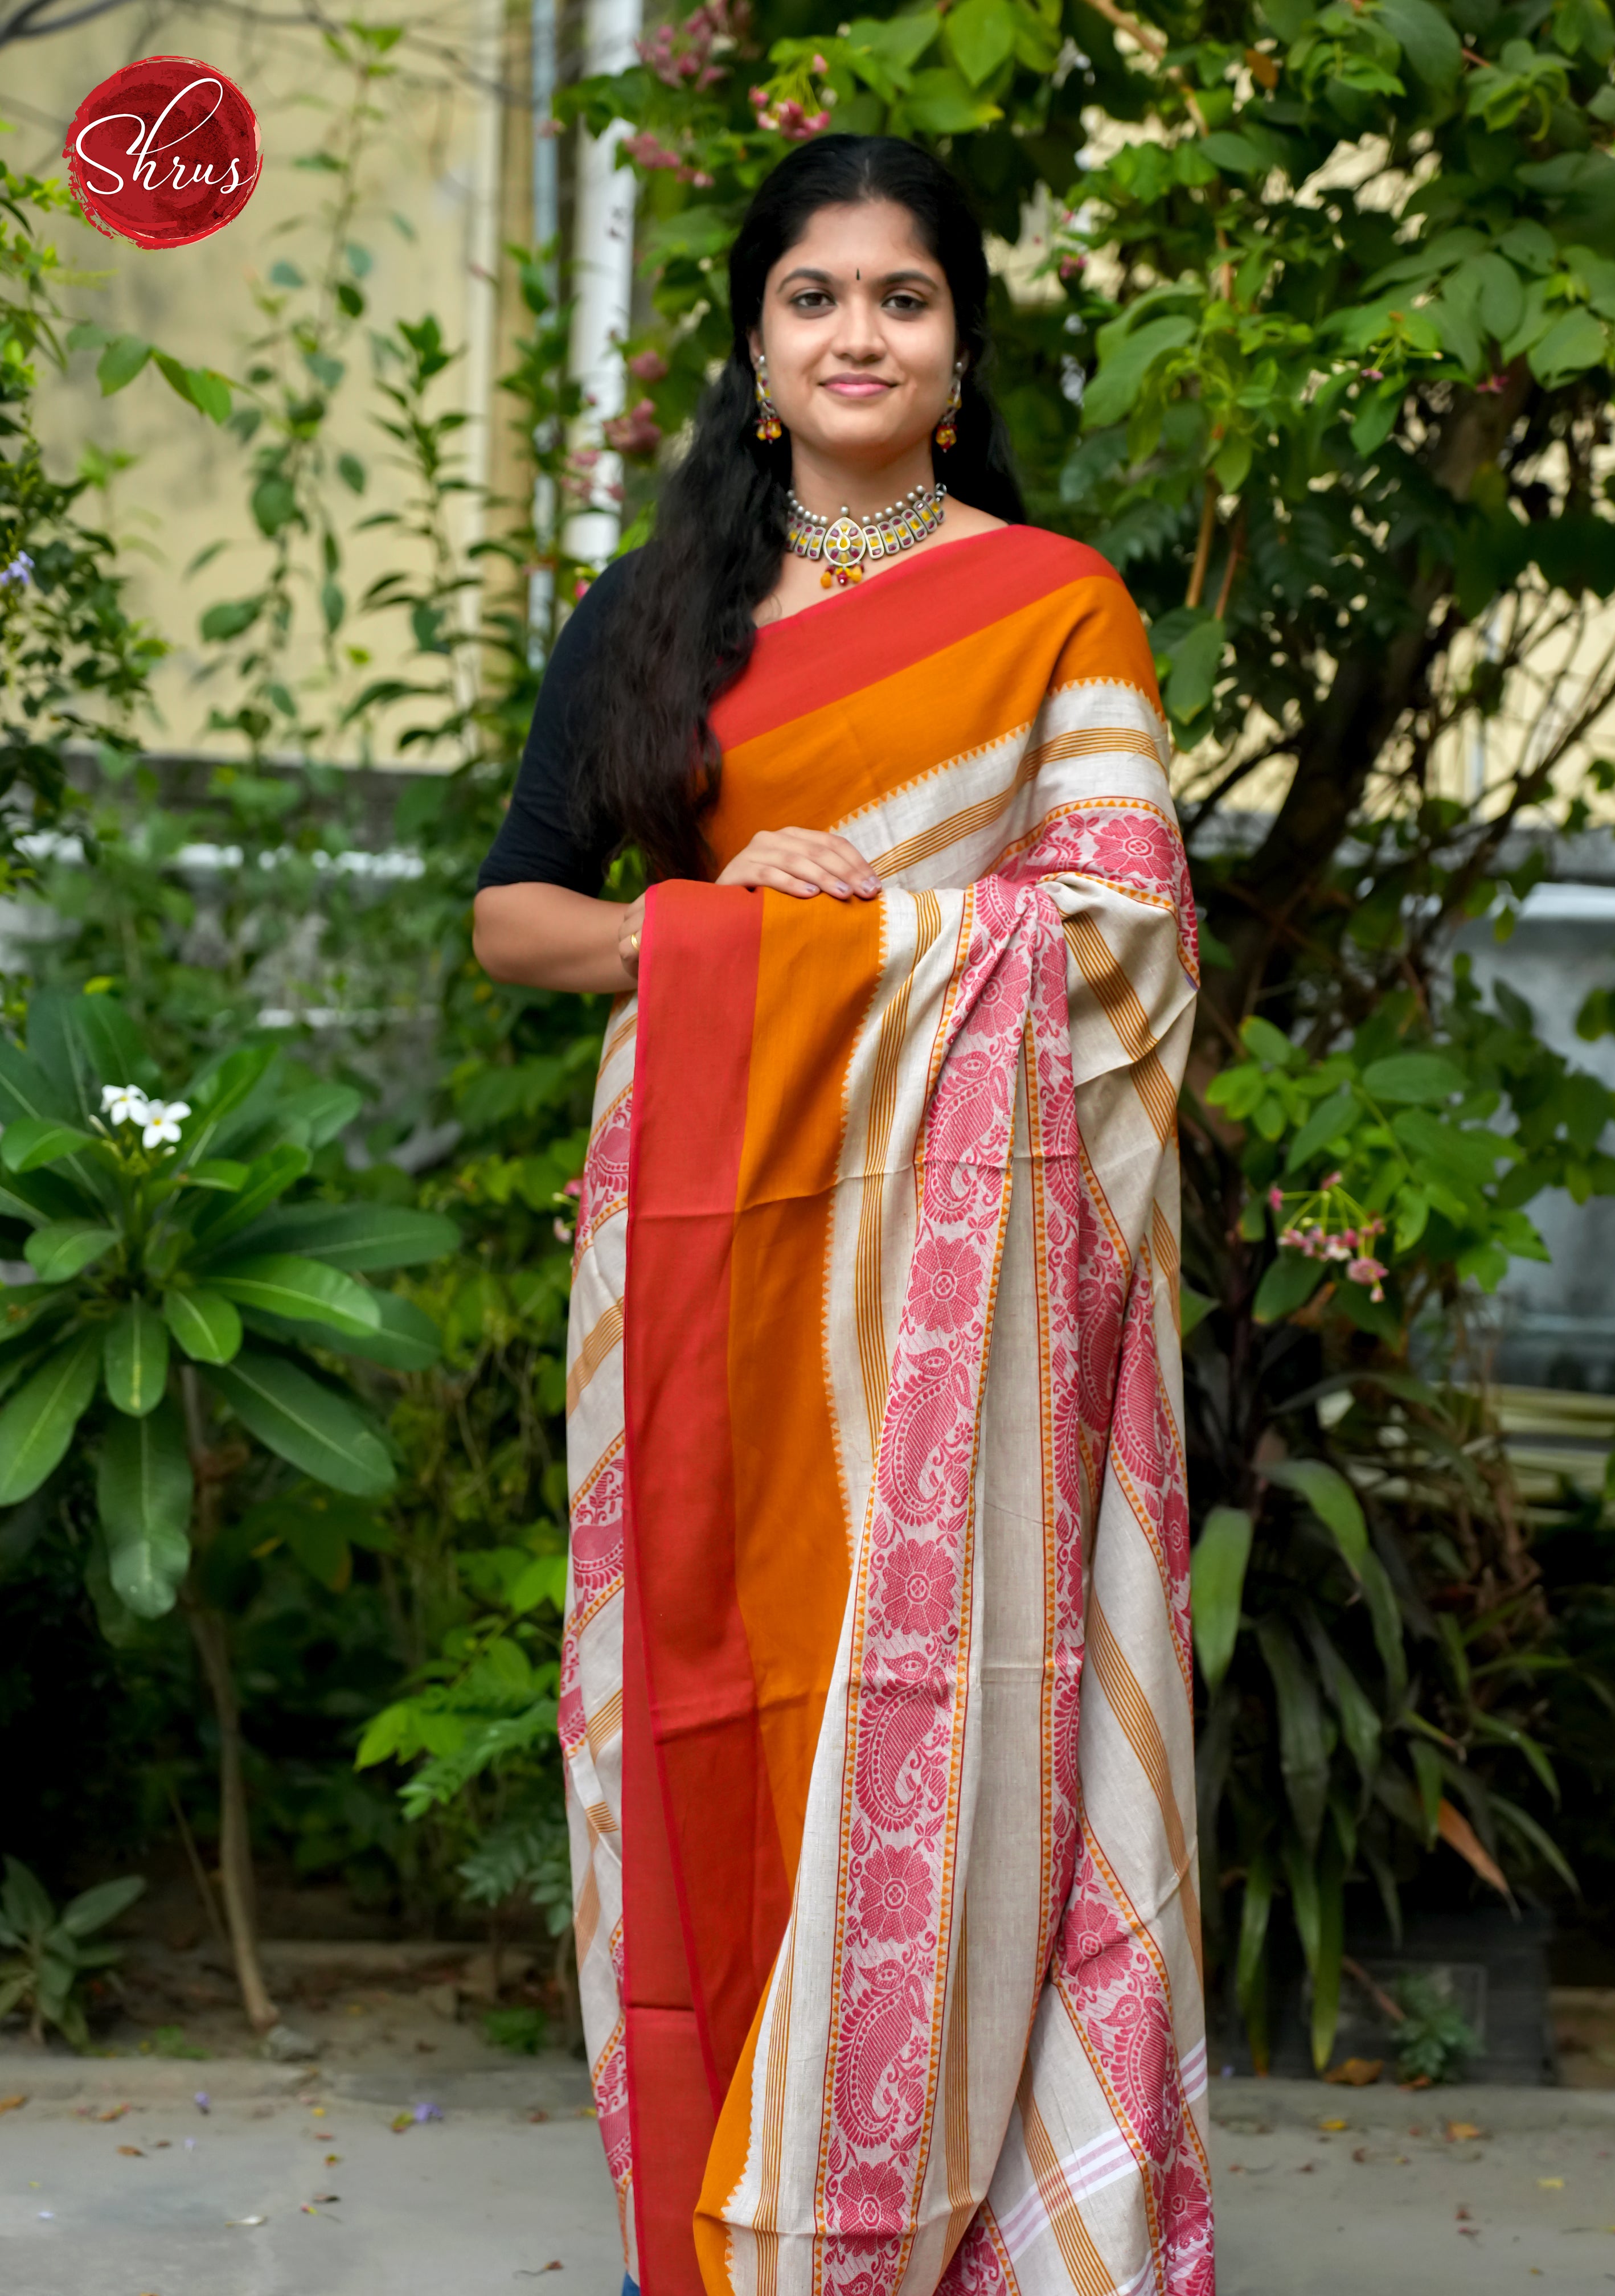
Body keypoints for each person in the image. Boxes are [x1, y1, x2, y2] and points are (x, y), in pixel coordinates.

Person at [473, 133, 1213, 2296]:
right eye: (817, 300)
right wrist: (709, 925)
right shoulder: (657, 615)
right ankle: (732, 2205)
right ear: (758, 349)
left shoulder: (1054, 605)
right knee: (714, 1699)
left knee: (965, 1702)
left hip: (967, 1292)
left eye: (902, 298)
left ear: (960, 349)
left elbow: (1123, 934)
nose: (859, 334)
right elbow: (522, 923)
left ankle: (976, 2220)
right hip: (714, 1254)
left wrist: (876, 929)